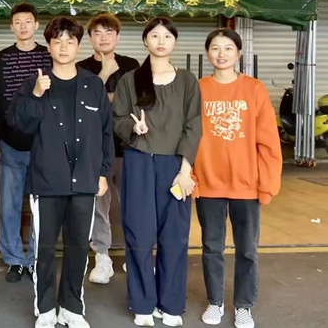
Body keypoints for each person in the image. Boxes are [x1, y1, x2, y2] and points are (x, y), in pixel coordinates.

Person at [8, 16, 113, 328]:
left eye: (70, 41)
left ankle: (72, 308)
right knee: (44, 249)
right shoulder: (36, 82)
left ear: (79, 46)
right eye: (57, 41)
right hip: (47, 181)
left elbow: (106, 133)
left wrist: (103, 173)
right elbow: (18, 124)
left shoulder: (93, 85)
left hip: (85, 181)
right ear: (49, 46)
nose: (64, 47)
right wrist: (36, 95)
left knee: (79, 246)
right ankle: (45, 309)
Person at [112, 17, 202, 327]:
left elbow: (193, 125)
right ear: (145, 41)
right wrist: (132, 127)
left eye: (167, 36)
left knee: (174, 236)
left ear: (174, 42)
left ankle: (171, 304)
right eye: (154, 36)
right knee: (138, 233)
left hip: (174, 166)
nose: (161, 41)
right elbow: (117, 119)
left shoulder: (187, 80)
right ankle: (142, 303)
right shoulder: (130, 80)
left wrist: (185, 170)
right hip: (138, 161)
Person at [193, 29, 282, 328]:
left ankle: (244, 306)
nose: (221, 54)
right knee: (212, 248)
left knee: (247, 250)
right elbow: (188, 136)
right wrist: (191, 176)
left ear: (239, 53)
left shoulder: (254, 89)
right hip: (209, 183)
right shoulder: (198, 89)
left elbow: (268, 142)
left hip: (246, 185)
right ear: (208, 53)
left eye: (228, 48)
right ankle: (215, 302)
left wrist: (267, 185)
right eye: (215, 48)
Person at [0, 2, 51, 283]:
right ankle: (14, 260)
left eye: (28, 21)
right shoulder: (1, 58)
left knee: (40, 208)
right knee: (9, 207)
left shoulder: (48, 55)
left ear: (36, 25)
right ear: (11, 26)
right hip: (11, 145)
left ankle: (35, 259)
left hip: (42, 145)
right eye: (17, 22)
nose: (23, 26)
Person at [76, 13, 140, 285]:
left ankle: (136, 256)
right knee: (98, 206)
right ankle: (102, 256)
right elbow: (81, 103)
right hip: (96, 149)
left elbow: (135, 102)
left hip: (129, 146)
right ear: (90, 38)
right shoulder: (81, 68)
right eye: (98, 33)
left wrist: (103, 97)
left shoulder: (132, 65)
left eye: (109, 33)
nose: (103, 38)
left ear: (118, 37)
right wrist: (104, 75)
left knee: (134, 204)